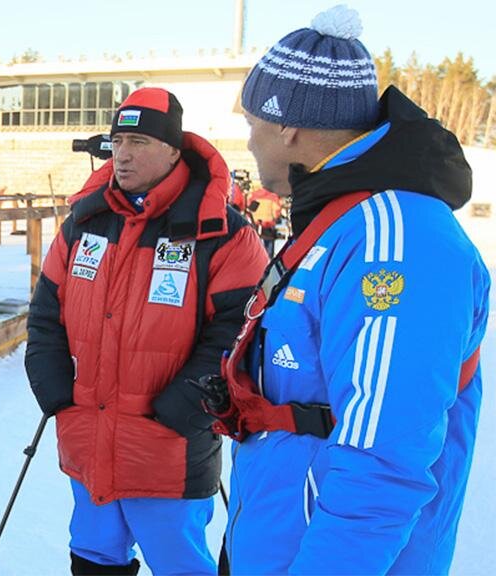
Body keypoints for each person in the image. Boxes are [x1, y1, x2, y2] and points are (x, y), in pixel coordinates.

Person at [204, 6, 490, 574]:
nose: (250, 140)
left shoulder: (396, 240)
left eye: (252, 122)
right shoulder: (340, 219)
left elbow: (382, 462)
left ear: (287, 125)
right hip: (277, 538)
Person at [25, 87, 268, 575]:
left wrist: (186, 405)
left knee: (179, 562)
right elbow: (46, 312)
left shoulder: (221, 230)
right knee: (94, 556)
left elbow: (242, 330)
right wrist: (51, 383)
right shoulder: (85, 222)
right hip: (89, 437)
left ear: (174, 150)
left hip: (168, 448)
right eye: (117, 141)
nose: (124, 154)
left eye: (138, 141)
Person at [247, 185, 284, 255]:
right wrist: (274, 219)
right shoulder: (273, 197)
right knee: (269, 246)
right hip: (268, 224)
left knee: (256, 245)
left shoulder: (253, 195)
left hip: (256, 224)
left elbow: (249, 210)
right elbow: (276, 211)